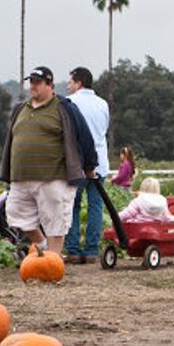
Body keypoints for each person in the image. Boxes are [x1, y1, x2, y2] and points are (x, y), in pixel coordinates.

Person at [0, 66, 97, 256]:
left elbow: (84, 137)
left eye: (37, 82)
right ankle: (43, 246)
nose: (32, 86)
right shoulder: (20, 108)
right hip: (21, 177)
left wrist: (89, 166)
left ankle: (54, 261)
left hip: (54, 176)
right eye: (31, 82)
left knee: (55, 222)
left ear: (50, 85)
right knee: (16, 216)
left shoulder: (64, 108)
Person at [64, 67, 110, 264]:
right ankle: (92, 250)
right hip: (99, 161)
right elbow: (104, 129)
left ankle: (73, 249)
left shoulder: (70, 103)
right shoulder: (103, 104)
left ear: (79, 83)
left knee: (72, 206)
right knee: (95, 206)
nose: (68, 86)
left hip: (77, 161)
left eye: (70, 82)